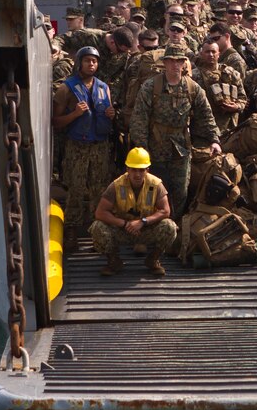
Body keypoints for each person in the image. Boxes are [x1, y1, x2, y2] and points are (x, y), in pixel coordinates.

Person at [129, 43, 221, 219]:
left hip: (181, 148)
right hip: (155, 147)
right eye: (170, 61)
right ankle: (151, 229)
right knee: (152, 191)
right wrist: (142, 149)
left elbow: (206, 115)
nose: (175, 65)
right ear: (164, 63)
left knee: (180, 191)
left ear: (184, 62)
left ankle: (176, 229)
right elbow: (139, 118)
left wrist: (214, 139)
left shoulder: (192, 88)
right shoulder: (151, 86)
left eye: (179, 61)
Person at [52, 46, 116, 253]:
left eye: (95, 61)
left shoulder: (104, 87)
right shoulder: (66, 88)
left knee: (99, 189)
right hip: (77, 146)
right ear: (79, 62)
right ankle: (71, 231)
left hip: (100, 146)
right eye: (87, 60)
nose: (91, 64)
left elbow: (108, 116)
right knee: (75, 190)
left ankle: (98, 232)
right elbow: (55, 122)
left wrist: (111, 114)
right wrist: (74, 115)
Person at [89, 147, 179, 277]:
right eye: (133, 170)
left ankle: (153, 260)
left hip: (146, 230)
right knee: (97, 227)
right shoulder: (116, 186)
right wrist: (124, 224)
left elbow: (165, 211)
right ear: (127, 169)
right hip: (122, 230)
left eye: (141, 170)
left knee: (170, 227)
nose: (137, 174)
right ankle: (113, 261)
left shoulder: (156, 184)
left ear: (147, 170)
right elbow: (100, 213)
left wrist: (143, 222)